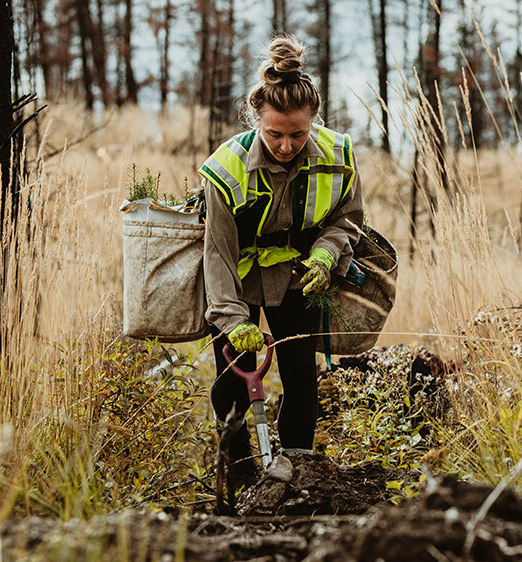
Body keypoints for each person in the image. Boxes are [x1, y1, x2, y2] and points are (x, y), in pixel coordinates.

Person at [198, 36, 364, 494]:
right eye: (275, 134)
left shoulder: (338, 157)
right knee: (233, 384)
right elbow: (218, 253)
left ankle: (296, 477)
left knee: (301, 381)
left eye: (298, 134)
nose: (287, 145)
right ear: (256, 121)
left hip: (299, 277)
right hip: (238, 281)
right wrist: (232, 320)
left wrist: (328, 253)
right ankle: (236, 478)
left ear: (314, 121)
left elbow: (348, 220)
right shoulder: (226, 169)